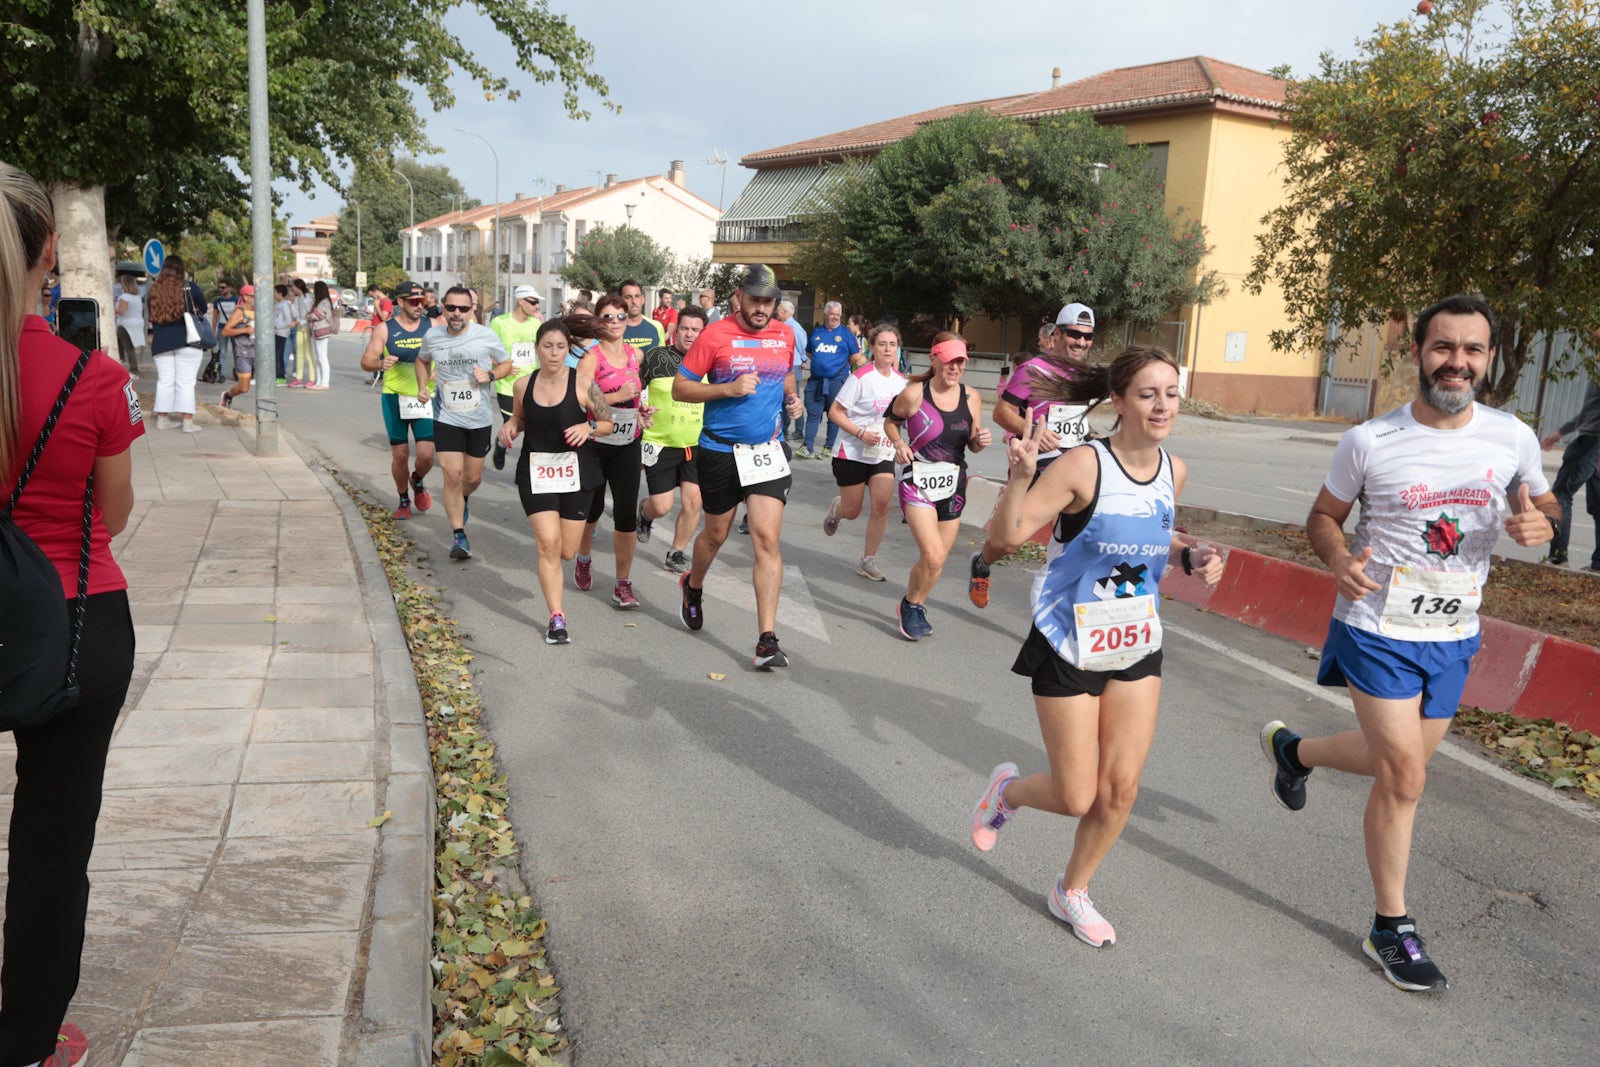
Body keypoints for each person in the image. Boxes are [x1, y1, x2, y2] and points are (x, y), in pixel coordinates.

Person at [1260, 294, 1558, 992]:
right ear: (1417, 352)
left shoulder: (1512, 437)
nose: (1457, 361)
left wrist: (1541, 525)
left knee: (1394, 766)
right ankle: (1389, 926)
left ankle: (1293, 751)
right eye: (1442, 347)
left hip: (1454, 632)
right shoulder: (1369, 441)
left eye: (1472, 349)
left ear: (1489, 358)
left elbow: (1542, 505)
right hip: (1378, 627)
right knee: (1406, 776)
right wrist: (1336, 557)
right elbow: (1324, 517)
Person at [969, 344, 1225, 949]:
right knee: (1075, 792)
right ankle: (1006, 793)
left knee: (1121, 790)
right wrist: (1024, 475)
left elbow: (1152, 534)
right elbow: (1006, 536)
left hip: (1135, 637)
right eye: (1147, 393)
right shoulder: (1083, 465)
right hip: (1068, 637)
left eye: (1171, 393)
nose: (1163, 405)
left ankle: (1072, 890)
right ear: (1118, 400)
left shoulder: (1174, 469)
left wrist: (1192, 556)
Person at [2, 159, 145, 1067]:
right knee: (52, 846)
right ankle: (28, 1043)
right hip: (75, 621)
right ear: (50, 254)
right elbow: (116, 514)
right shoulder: (89, 379)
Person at [673, 264, 804, 668]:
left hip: (766, 450)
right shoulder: (714, 335)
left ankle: (767, 640)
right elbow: (681, 386)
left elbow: (784, 374)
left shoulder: (784, 334)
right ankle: (693, 585)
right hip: (719, 450)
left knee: (766, 538)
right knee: (715, 535)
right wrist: (726, 389)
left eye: (769, 301)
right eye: (755, 300)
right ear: (739, 297)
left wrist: (794, 398)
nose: (762, 308)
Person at [970, 303, 1101, 608]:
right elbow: (1003, 413)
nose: (1081, 342)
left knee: (1079, 533)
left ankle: (1059, 601)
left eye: (1088, 337)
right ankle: (983, 562)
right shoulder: (1033, 370)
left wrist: (1091, 436)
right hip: (1036, 465)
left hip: (1075, 467)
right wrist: (1034, 435)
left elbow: (1075, 419)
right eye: (1074, 334)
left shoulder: (1086, 375)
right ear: (1057, 333)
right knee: (1009, 542)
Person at [498, 320, 614, 643]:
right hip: (536, 473)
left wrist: (588, 429)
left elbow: (608, 422)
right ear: (536, 348)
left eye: (560, 347)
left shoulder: (585, 384)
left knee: (566, 551)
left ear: (568, 350)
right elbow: (520, 417)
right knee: (547, 543)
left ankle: (575, 560)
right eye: (547, 346)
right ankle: (556, 617)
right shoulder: (523, 385)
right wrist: (510, 426)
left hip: (577, 474)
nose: (553, 353)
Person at [882, 334, 991, 639]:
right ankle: (912, 606)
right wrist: (899, 443)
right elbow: (890, 422)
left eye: (960, 361)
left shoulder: (972, 397)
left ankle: (913, 604)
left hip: (953, 483)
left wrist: (980, 441)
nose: (954, 367)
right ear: (934, 360)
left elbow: (972, 443)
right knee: (931, 555)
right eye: (949, 360)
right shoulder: (914, 394)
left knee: (939, 559)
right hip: (917, 480)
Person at [415, 286, 513, 561]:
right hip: (446, 416)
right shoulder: (432, 336)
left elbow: (507, 365)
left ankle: (462, 498)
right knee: (452, 475)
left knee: (471, 478)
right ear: (443, 308)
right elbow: (422, 362)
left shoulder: (486, 335)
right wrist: (423, 386)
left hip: (479, 418)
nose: (456, 313)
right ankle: (459, 534)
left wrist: (490, 376)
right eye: (451, 308)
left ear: (472, 310)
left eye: (463, 308)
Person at [566, 295, 650, 608]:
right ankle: (584, 558)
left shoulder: (633, 355)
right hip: (596, 443)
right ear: (599, 322)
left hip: (628, 443)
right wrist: (615, 396)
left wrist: (641, 411)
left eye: (620, 316)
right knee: (594, 509)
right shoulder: (592, 356)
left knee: (627, 515)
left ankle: (623, 583)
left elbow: (634, 396)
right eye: (608, 317)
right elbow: (583, 398)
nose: (615, 322)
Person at [823, 323, 907, 582]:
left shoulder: (901, 382)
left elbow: (903, 417)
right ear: (871, 347)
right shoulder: (860, 377)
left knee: (882, 505)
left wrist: (901, 442)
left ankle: (868, 560)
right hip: (852, 451)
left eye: (892, 344)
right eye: (882, 344)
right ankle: (838, 509)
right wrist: (860, 433)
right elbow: (835, 412)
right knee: (853, 510)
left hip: (881, 452)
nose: (887, 349)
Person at [638, 304, 707, 574]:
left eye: (696, 330)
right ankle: (644, 513)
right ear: (675, 330)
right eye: (685, 329)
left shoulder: (711, 361)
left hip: (696, 444)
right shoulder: (656, 357)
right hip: (660, 443)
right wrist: (636, 411)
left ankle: (676, 552)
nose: (689, 335)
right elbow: (633, 389)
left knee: (694, 502)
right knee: (662, 505)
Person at [358, 280, 435, 520]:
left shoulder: (432, 326)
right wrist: (380, 363)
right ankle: (403, 498)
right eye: (413, 302)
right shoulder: (385, 329)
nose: (419, 306)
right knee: (400, 455)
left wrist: (440, 368)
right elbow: (365, 361)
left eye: (422, 301)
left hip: (424, 397)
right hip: (395, 396)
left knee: (426, 455)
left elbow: (449, 350)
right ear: (400, 302)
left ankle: (417, 480)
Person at [1539, 361, 1600, 571]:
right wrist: (1562, 431)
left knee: (1560, 496)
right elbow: (1589, 412)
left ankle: (1558, 558)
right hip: (1591, 439)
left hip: (1592, 442)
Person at [146, 255, 207, 433]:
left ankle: (162, 419)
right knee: (186, 383)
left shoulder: (154, 290)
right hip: (187, 340)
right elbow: (202, 309)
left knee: (164, 381)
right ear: (181, 271)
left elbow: (151, 314)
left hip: (161, 341)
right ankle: (187, 423)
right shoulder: (189, 287)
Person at [489, 285, 543, 471]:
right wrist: (500, 366)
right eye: (533, 302)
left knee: (530, 425)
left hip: (530, 383)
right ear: (521, 301)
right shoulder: (500, 322)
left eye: (538, 303)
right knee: (512, 426)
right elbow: (487, 349)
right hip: (507, 384)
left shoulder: (536, 324)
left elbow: (541, 348)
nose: (537, 307)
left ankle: (527, 466)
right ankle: (501, 446)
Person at [797, 301, 859, 459]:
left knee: (834, 414)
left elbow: (855, 357)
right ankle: (808, 446)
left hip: (837, 381)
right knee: (813, 414)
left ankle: (829, 446)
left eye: (838, 314)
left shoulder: (846, 334)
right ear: (825, 314)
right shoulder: (817, 332)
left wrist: (836, 369)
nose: (835, 317)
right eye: (832, 314)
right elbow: (810, 353)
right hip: (816, 381)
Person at [218, 285, 258, 409]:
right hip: (243, 352)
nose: (257, 298)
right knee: (244, 387)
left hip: (258, 351)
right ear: (245, 297)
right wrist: (245, 330)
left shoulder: (260, 311)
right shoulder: (240, 311)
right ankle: (227, 396)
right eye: (253, 296)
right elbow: (225, 331)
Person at [775, 299, 809, 441]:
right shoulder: (783, 325)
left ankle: (799, 429)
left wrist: (802, 359)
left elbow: (803, 345)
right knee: (784, 399)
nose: (776, 312)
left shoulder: (794, 327)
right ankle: (785, 429)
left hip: (793, 366)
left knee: (793, 398)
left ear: (785, 312)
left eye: (779, 310)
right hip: (784, 366)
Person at [618, 279, 668, 356]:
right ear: (620, 300)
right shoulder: (614, 327)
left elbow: (661, 359)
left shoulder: (657, 327)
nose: (634, 301)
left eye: (637, 296)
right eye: (628, 297)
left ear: (643, 299)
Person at [305, 280, 336, 390]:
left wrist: (310, 315)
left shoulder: (324, 301)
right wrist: (310, 315)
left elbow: (317, 315)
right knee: (317, 357)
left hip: (322, 332)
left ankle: (325, 382)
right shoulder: (319, 302)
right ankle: (319, 381)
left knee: (322, 357)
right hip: (315, 331)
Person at [114, 272, 146, 371]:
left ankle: (132, 368)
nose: (121, 285)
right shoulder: (137, 297)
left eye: (122, 283)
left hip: (126, 324)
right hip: (137, 323)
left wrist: (112, 309)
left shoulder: (124, 297)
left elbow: (122, 311)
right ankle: (125, 361)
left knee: (126, 346)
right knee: (130, 347)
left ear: (126, 284)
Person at [208, 278, 238, 383]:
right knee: (223, 352)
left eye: (223, 287)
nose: (221, 289)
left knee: (236, 351)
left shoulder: (236, 300)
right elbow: (215, 316)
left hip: (234, 328)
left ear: (229, 288)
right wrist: (214, 330)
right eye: (219, 288)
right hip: (222, 328)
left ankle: (238, 372)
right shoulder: (217, 301)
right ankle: (223, 374)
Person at [289, 277, 313, 387]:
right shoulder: (297, 299)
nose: (292, 289)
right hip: (299, 327)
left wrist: (299, 322)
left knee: (308, 354)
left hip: (307, 327)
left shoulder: (308, 298)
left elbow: (309, 316)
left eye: (293, 286)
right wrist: (293, 303)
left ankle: (312, 378)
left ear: (298, 287)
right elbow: (295, 314)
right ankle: (299, 378)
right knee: (298, 354)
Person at [271, 284, 295, 385]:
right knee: (277, 355)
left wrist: (278, 326)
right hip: (275, 332)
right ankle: (278, 374)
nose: (273, 294)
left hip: (281, 333)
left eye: (275, 292)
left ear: (280, 293)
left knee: (278, 355)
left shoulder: (285, 305)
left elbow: (288, 321)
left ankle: (280, 376)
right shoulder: (277, 304)